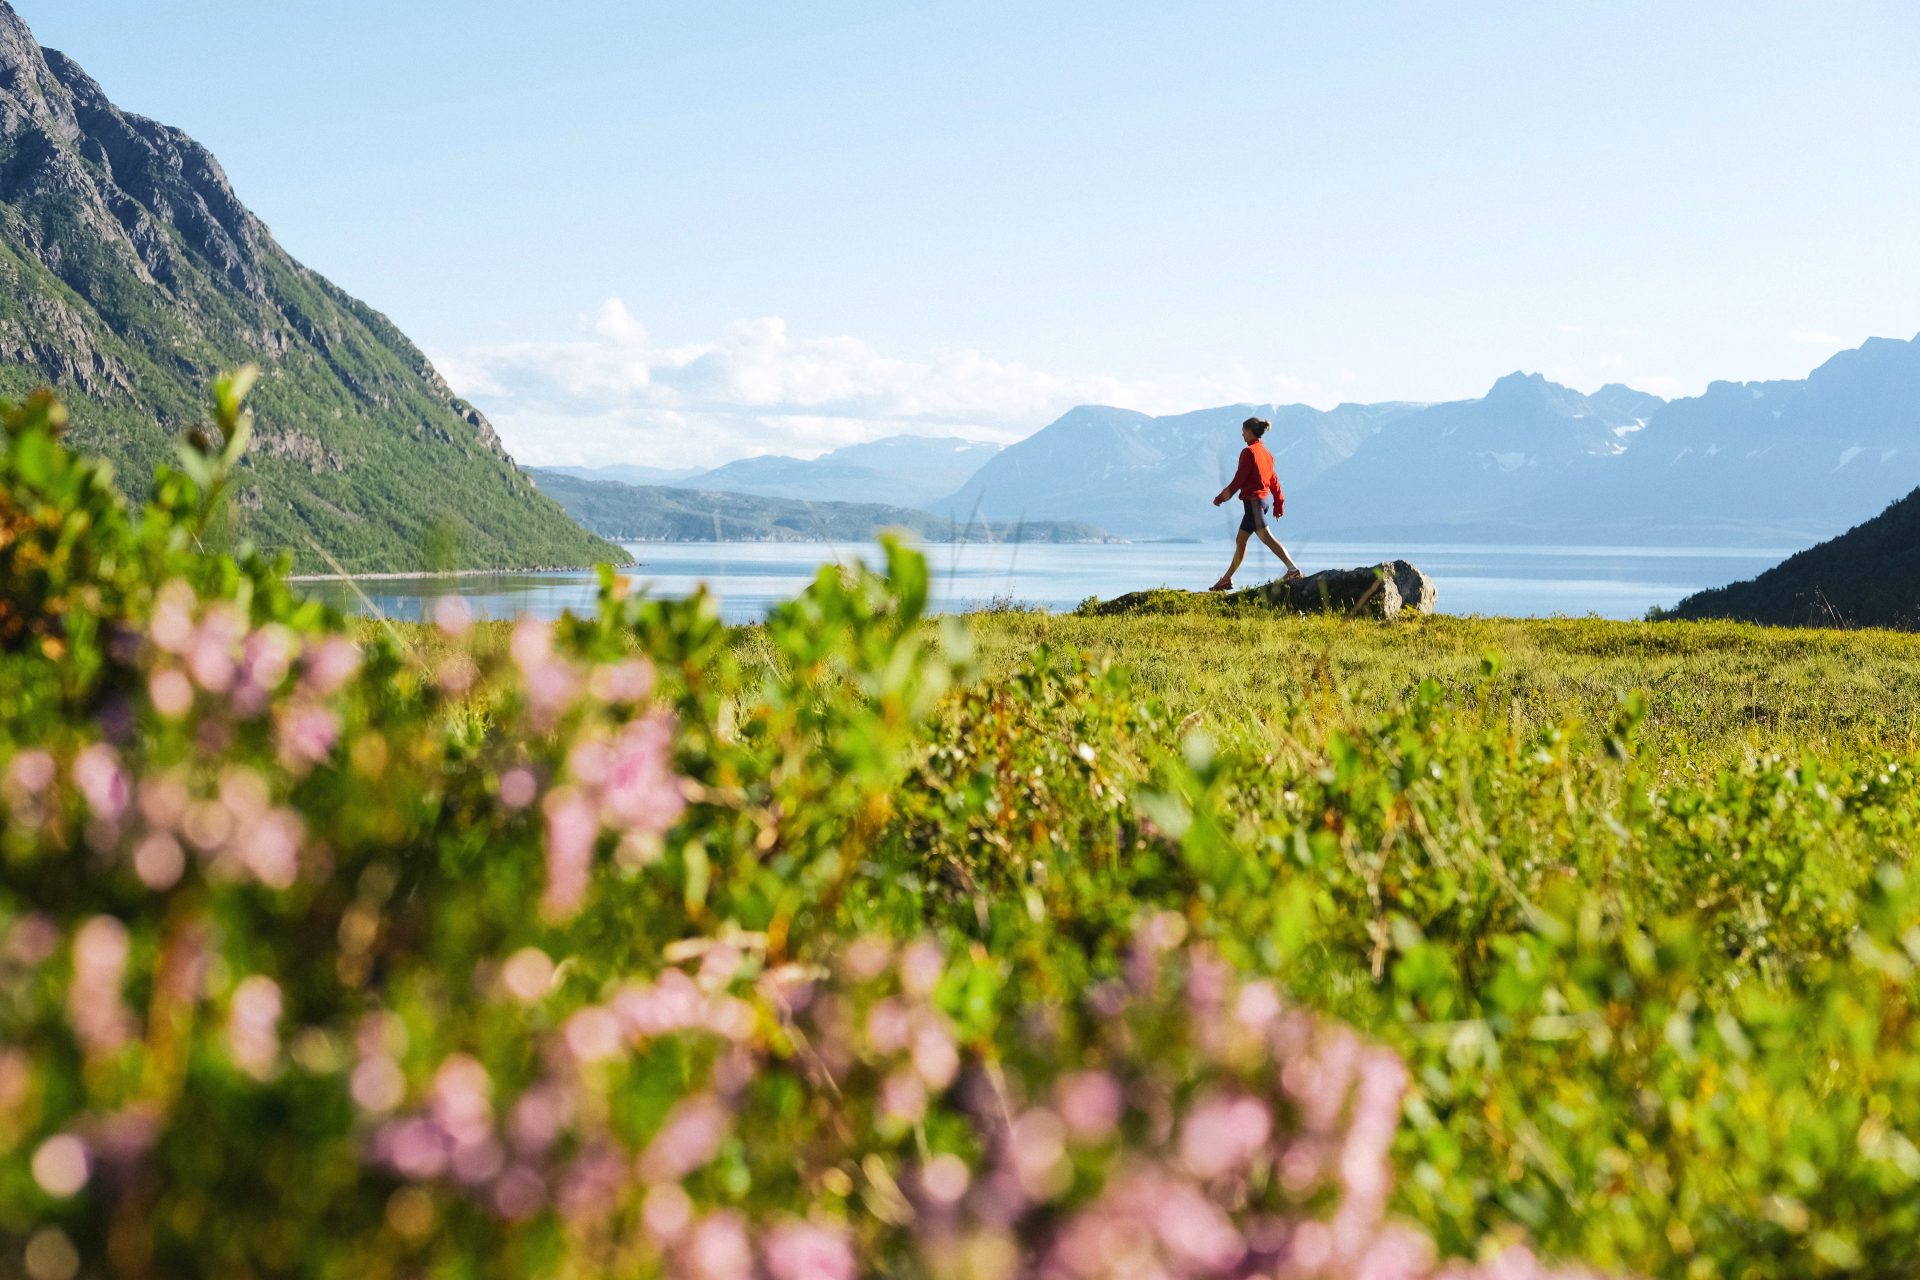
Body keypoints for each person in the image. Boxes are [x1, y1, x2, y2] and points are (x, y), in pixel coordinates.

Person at [1209, 417, 1302, 592]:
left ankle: (1293, 569)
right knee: (1241, 541)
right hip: (1261, 503)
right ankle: (1226, 580)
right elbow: (1274, 481)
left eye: (1243, 431)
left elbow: (1239, 479)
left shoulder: (1249, 452)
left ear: (1250, 431)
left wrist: (1221, 498)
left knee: (1266, 537)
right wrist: (1278, 505)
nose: (1242, 434)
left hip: (1253, 504)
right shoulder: (1267, 454)